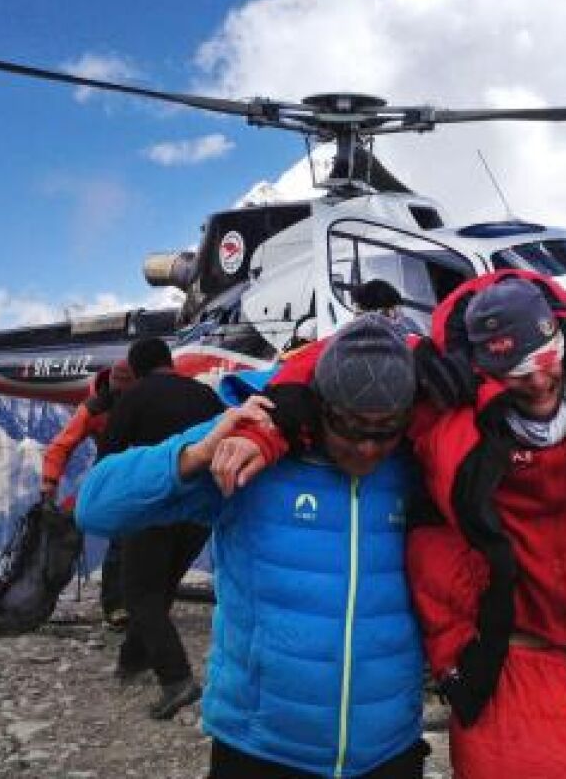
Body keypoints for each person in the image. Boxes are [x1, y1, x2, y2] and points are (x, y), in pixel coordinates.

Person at [224, 272, 566, 777]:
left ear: (560, 331)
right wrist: (274, 422)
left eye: (545, 356)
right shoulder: (442, 396)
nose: (537, 380)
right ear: (480, 367)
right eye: (516, 368)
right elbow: (345, 358)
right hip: (507, 665)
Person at [77, 314, 429, 778]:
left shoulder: (420, 459)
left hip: (388, 750)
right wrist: (195, 453)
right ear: (318, 405)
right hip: (260, 748)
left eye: (386, 429)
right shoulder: (250, 453)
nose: (367, 447)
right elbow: (96, 508)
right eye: (350, 426)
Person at [100, 336, 225, 719]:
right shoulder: (206, 395)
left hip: (153, 507)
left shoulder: (134, 397)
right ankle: (134, 659)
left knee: (139, 594)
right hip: (200, 512)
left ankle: (176, 680)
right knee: (161, 587)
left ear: (136, 369)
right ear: (169, 361)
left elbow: (108, 457)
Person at [40, 359, 136, 629]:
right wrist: (49, 482)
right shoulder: (94, 408)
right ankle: (116, 605)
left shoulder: (105, 405)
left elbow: (60, 446)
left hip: (136, 471)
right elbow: (60, 447)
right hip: (114, 476)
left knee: (138, 537)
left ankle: (130, 601)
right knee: (122, 537)